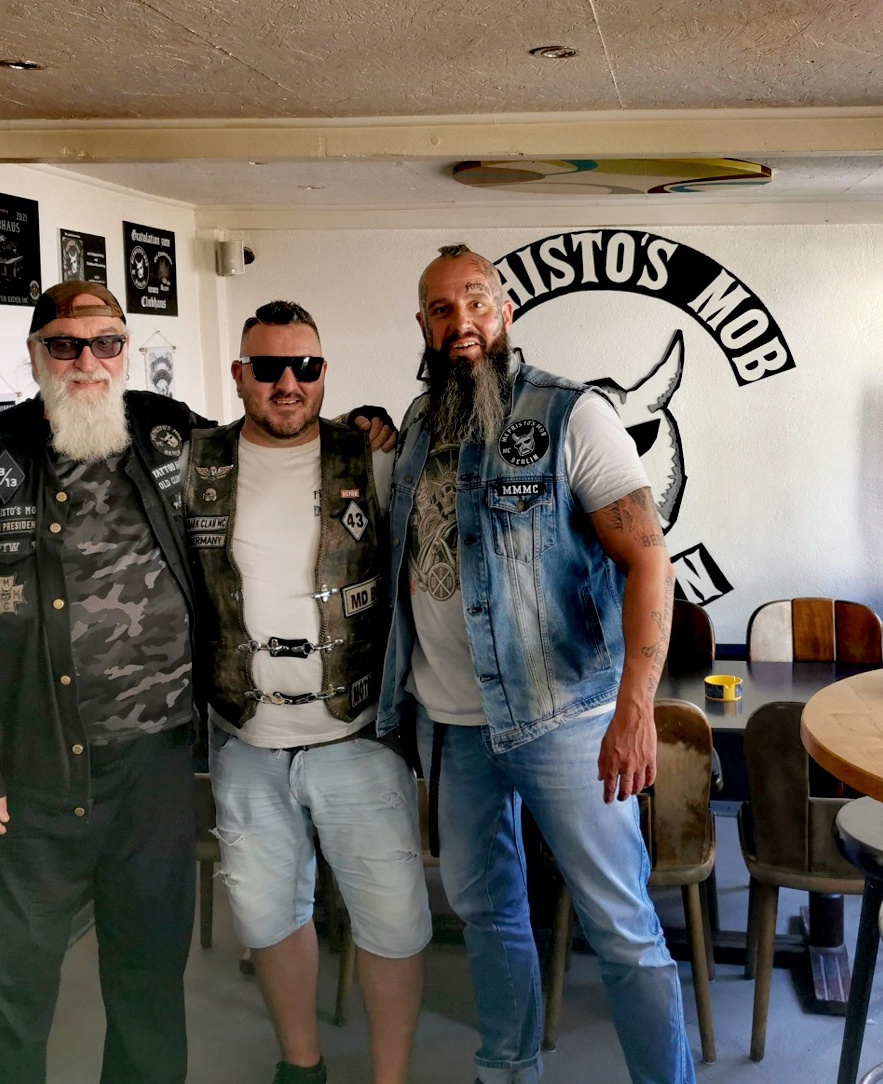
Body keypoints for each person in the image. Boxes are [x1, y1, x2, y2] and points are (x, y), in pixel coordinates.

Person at [377, 245, 696, 1084]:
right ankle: (507, 1070)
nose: (461, 322)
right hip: (451, 724)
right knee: (487, 915)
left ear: (506, 312)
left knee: (622, 928)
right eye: (442, 309)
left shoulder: (570, 414)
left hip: (565, 720)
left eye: (476, 302)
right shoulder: (417, 427)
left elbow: (649, 561)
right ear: (423, 324)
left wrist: (635, 710)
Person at [0, 280, 212, 1084]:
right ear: (36, 353)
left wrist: (365, 432)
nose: (88, 361)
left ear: (125, 349)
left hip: (155, 767)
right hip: (29, 771)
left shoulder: (172, 433)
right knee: (6, 990)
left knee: (150, 981)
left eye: (106, 342)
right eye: (65, 344)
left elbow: (272, 448)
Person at [185, 300, 431, 1084]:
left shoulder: (374, 458)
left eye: (306, 366)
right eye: (267, 367)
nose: (287, 382)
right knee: (266, 919)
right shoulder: (194, 464)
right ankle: (301, 1067)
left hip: (358, 737)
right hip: (246, 739)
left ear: (325, 372)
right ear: (239, 375)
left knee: (392, 921)